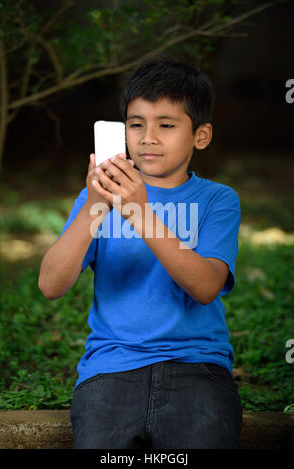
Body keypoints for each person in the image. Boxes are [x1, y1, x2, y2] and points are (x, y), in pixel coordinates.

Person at [38, 56, 243, 449]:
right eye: (136, 124)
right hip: (111, 367)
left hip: (198, 367)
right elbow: (50, 284)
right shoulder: (96, 198)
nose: (148, 137)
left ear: (201, 136)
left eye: (166, 125)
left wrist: (138, 211)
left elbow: (205, 287)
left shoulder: (217, 200)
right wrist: (95, 206)